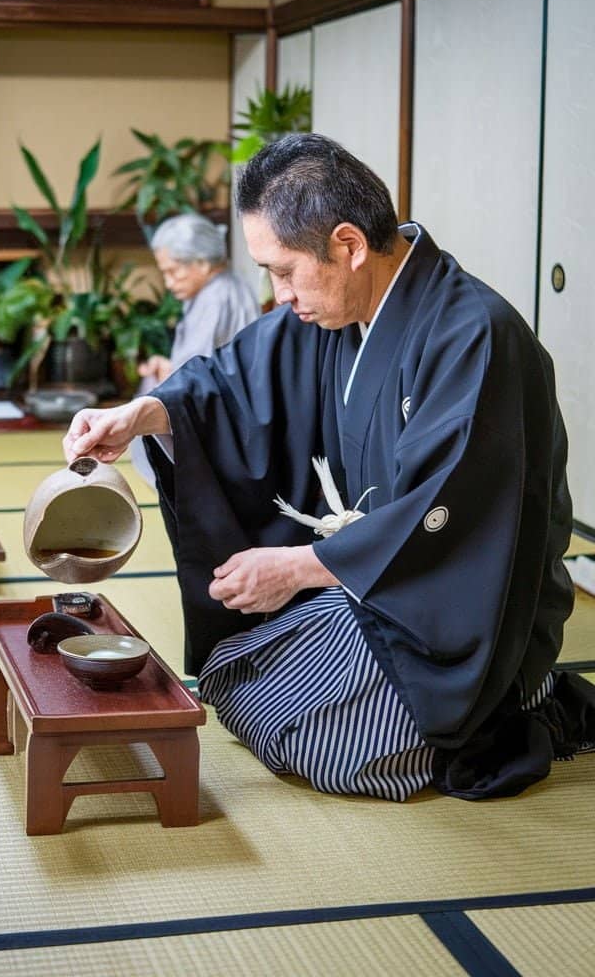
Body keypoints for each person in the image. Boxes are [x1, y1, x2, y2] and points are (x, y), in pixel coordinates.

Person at [64, 133, 595, 802]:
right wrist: (142, 413)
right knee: (230, 671)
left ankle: (528, 697)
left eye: (284, 271)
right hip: (370, 582)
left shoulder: (476, 337)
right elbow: (232, 384)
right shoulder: (338, 308)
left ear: (347, 245)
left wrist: (298, 568)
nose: (279, 293)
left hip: (457, 610)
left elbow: (452, 510)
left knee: (329, 751)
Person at [130, 213, 258, 486]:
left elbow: (189, 374)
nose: (168, 282)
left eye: (173, 271)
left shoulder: (215, 297)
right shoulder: (223, 287)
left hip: (225, 414)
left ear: (201, 263)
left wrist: (163, 368)